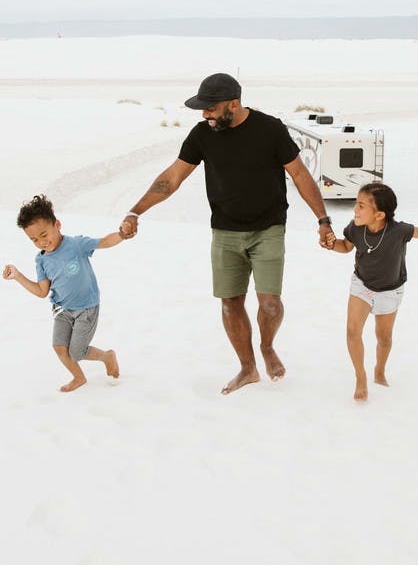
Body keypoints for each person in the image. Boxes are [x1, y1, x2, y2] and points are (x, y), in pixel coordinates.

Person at [119, 73, 336, 395]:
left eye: (211, 108)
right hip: (225, 231)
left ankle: (266, 346)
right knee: (230, 303)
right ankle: (248, 368)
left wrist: (323, 220)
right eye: (202, 109)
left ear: (233, 103)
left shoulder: (270, 129)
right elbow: (172, 178)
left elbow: (300, 174)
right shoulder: (202, 134)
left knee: (270, 303)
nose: (205, 114)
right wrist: (136, 210)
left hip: (268, 228)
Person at [325, 183, 418, 401]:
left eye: (361, 206)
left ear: (379, 214)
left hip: (390, 290)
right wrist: (332, 245)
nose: (355, 210)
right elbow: (346, 247)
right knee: (352, 331)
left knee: (384, 337)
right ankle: (360, 376)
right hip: (362, 285)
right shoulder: (356, 228)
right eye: (355, 205)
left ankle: (379, 370)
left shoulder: (399, 231)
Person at [3, 194, 129, 393]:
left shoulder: (76, 245)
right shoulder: (41, 260)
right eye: (34, 239)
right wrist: (17, 276)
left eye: (44, 234)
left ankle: (107, 356)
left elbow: (103, 242)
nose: (41, 242)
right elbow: (42, 291)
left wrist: (121, 235)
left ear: (57, 224)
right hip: (62, 309)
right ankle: (78, 377)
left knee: (77, 352)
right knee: (60, 348)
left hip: (86, 307)